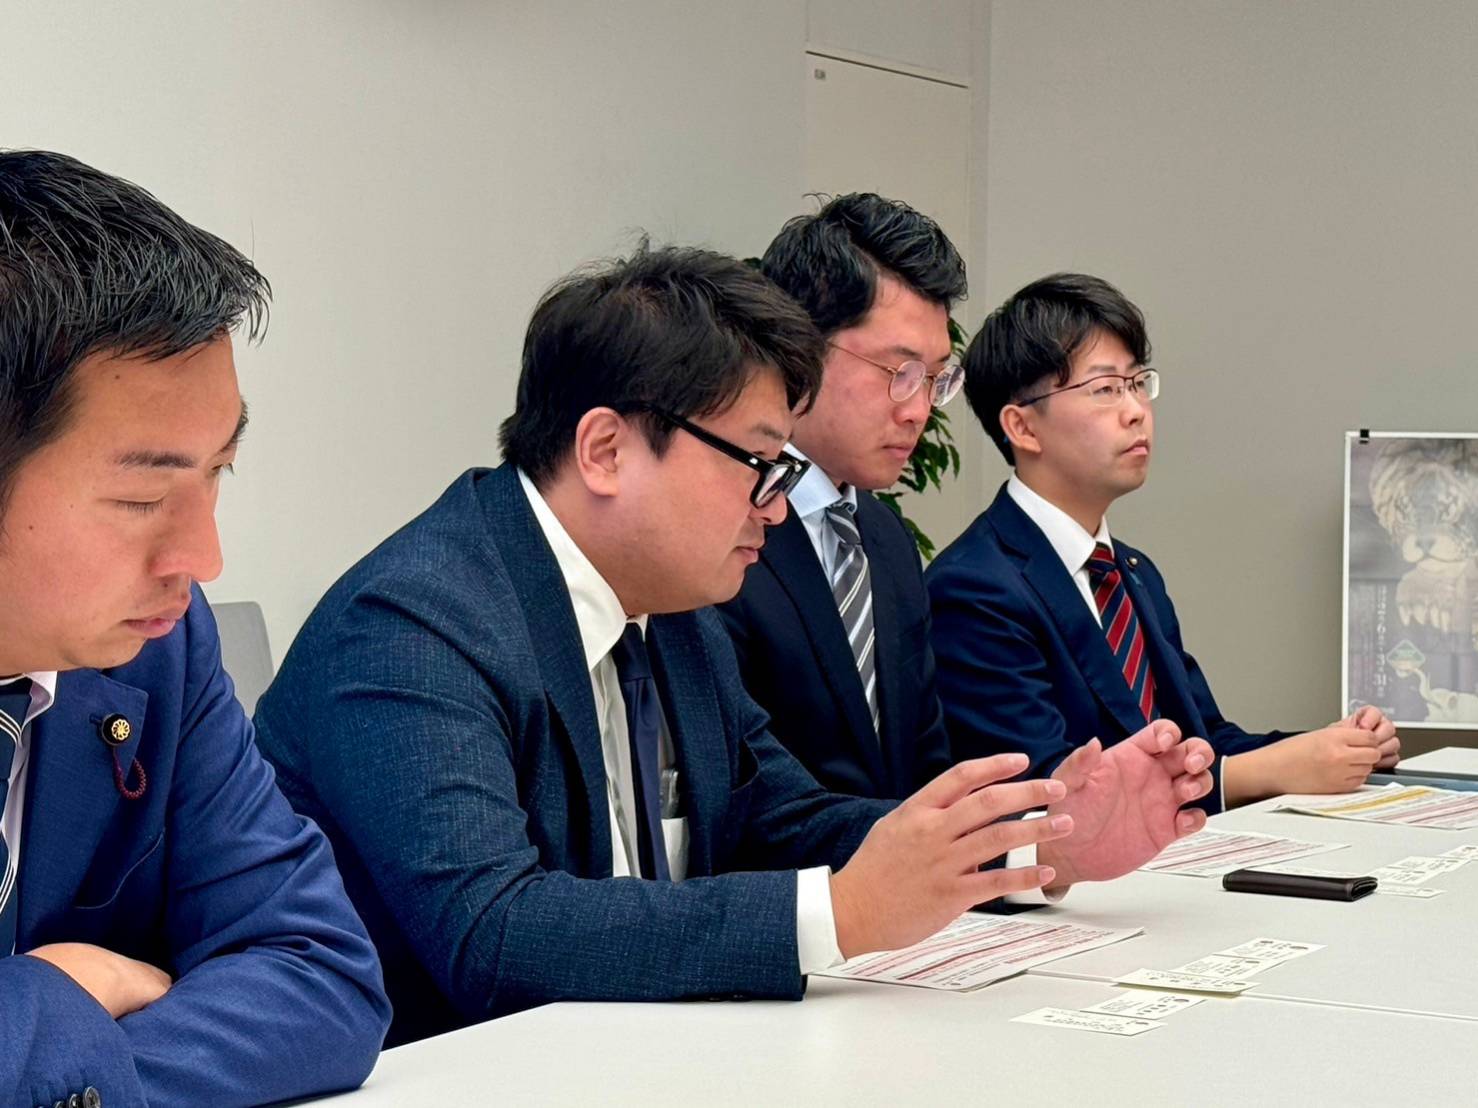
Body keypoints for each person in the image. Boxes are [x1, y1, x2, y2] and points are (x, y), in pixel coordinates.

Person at [254, 244, 1092, 1047]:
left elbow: (779, 819)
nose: (774, 508)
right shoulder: (411, 627)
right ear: (606, 451)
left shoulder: (674, 602)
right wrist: (839, 915)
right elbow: (495, 935)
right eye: (758, 462)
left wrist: (1022, 844)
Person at [0, 150, 389, 1106]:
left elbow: (321, 977)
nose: (204, 558)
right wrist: (55, 997)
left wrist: (54, 1060)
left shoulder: (158, 648)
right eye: (143, 498)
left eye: (219, 471)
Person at [719, 194, 1215, 902]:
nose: (918, 408)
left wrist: (1044, 843)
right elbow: (753, 809)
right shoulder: (725, 528)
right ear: (798, 352)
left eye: (935, 378)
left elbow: (927, 778)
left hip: (913, 930)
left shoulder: (884, 539)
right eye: (898, 372)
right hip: (785, 922)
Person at [927, 272, 1400, 808]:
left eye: (1137, 383)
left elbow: (1205, 741)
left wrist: (1335, 748)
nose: (1136, 410)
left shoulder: (1131, 572)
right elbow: (1045, 791)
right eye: (1105, 389)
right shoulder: (974, 587)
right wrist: (1264, 771)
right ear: (1023, 428)